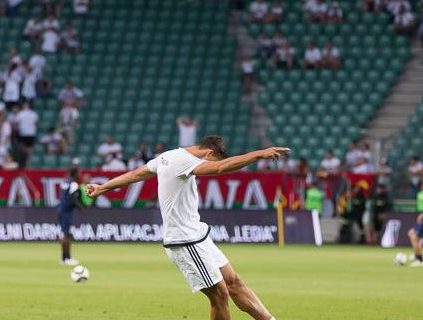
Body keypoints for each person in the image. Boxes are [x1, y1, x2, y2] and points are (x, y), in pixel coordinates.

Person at [85, 137, 286, 320]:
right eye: (212, 160)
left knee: (233, 282)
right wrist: (258, 154)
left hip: (198, 234)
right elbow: (220, 168)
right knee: (219, 295)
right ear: (208, 154)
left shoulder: (168, 156)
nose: (209, 165)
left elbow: (136, 174)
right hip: (185, 241)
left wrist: (103, 187)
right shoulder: (183, 161)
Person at [58, 171, 87, 266]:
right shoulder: (74, 184)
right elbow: (72, 199)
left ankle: (64, 258)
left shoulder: (65, 182)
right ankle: (67, 258)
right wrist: (80, 206)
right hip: (67, 211)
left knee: (66, 234)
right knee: (66, 235)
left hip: (61, 210)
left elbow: (65, 197)